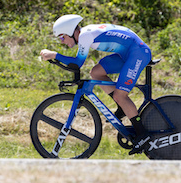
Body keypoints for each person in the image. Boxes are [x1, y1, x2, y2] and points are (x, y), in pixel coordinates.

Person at [40, 14, 152, 155]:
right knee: (96, 72)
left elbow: (77, 63)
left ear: (69, 32)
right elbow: (77, 64)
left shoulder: (84, 36)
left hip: (138, 53)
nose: (62, 42)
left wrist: (55, 55)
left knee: (120, 95)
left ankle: (143, 135)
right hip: (128, 53)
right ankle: (122, 107)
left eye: (62, 37)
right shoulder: (85, 34)